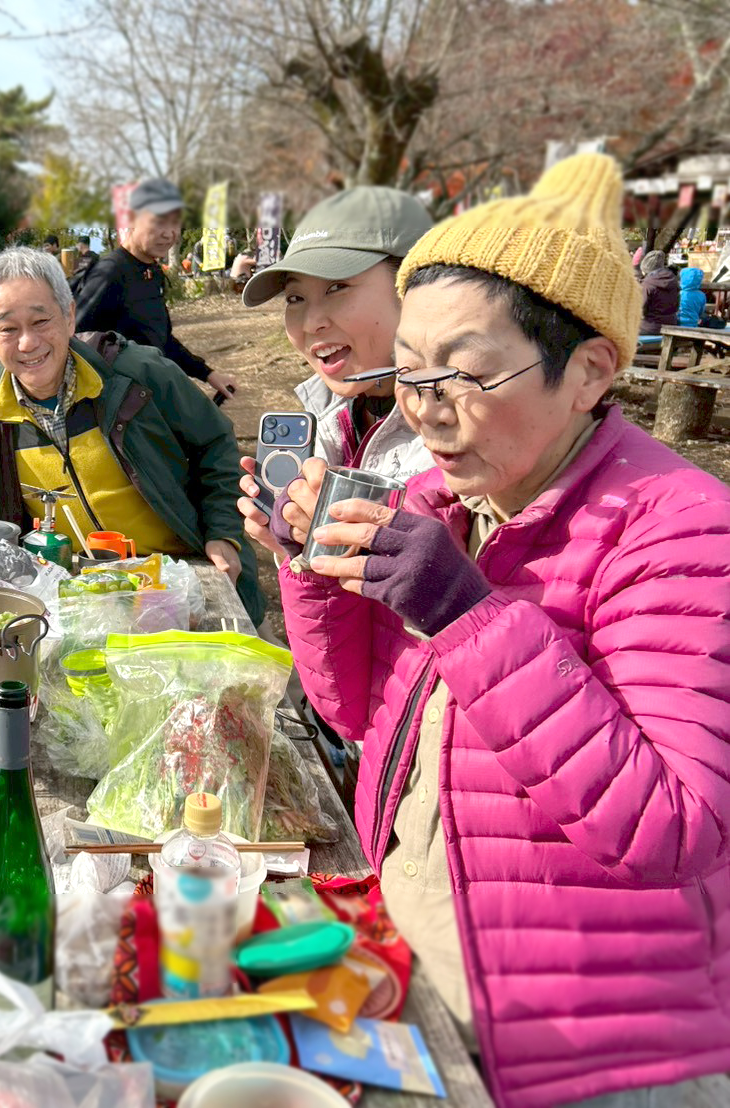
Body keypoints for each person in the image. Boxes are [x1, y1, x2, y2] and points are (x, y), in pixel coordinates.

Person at [246, 154, 730, 1107]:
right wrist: (305, 568)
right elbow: (350, 712)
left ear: (591, 369)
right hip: (430, 974)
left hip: (595, 1049)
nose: (425, 415)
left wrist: (465, 614)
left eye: (463, 375)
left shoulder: (680, 524)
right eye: (410, 375)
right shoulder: (446, 503)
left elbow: (670, 827)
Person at [0, 246, 264, 626]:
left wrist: (223, 532)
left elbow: (215, 444)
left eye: (40, 322)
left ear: (70, 315)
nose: (27, 343)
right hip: (78, 597)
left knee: (264, 677)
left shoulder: (138, 374)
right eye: (7, 328)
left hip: (180, 574)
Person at [240, 188, 436, 485]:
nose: (310, 323)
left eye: (336, 288)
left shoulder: (464, 430)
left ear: (413, 284)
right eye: (294, 298)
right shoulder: (323, 421)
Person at [75, 178, 240, 404]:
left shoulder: (152, 271)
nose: (169, 234)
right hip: (117, 407)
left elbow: (160, 340)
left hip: (150, 395)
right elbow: (73, 338)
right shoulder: (110, 273)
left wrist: (208, 374)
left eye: (176, 224)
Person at [637, 248, 679, 335]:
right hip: (671, 324)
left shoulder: (648, 284)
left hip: (650, 327)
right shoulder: (674, 281)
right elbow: (677, 306)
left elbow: (640, 309)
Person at [678, 265, 726, 329]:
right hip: (693, 324)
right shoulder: (701, 295)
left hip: (678, 323)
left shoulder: (678, 294)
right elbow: (701, 311)